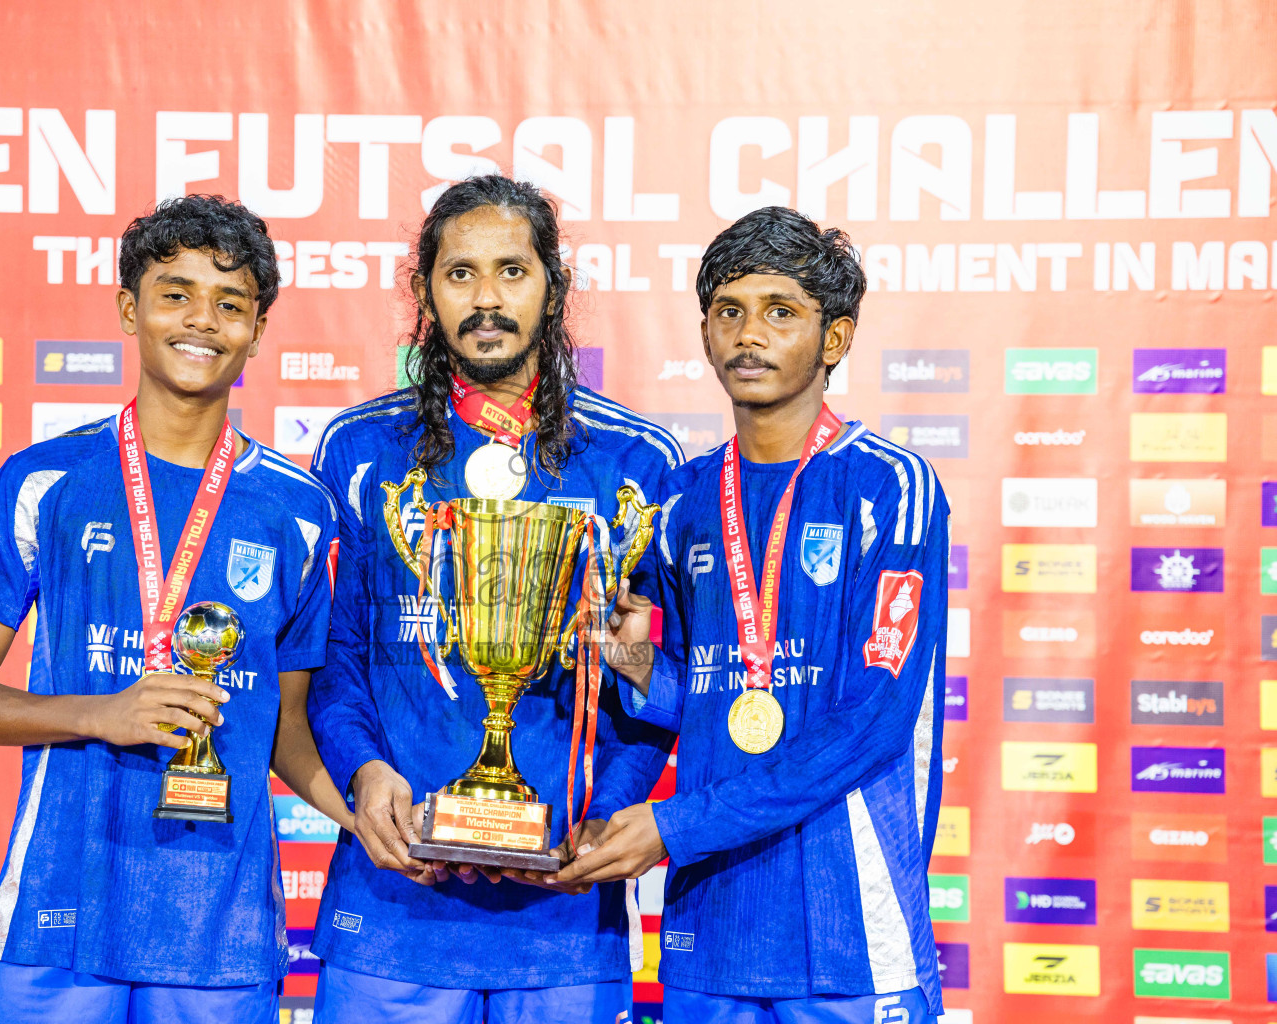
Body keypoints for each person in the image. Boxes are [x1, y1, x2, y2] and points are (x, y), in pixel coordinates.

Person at [0, 195, 350, 1024]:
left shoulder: (297, 509)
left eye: (231, 304)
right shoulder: (45, 479)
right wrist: (105, 713)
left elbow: (289, 730)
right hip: (58, 916)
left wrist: (377, 822)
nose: (203, 321)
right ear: (130, 309)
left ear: (257, 329)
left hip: (218, 936)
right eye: (175, 294)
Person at [556, 207, 949, 1024]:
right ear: (703, 332)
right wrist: (631, 663)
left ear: (834, 339)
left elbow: (870, 721)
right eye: (728, 311)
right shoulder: (683, 504)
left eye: (781, 311)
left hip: (848, 932)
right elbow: (698, 703)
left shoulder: (889, 487)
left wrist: (673, 825)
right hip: (710, 930)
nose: (749, 334)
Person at [305, 174, 682, 1023]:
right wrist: (366, 777)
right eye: (460, 273)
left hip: (565, 920)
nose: (486, 299)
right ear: (425, 293)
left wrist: (604, 812)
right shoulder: (358, 449)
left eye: (511, 271)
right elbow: (337, 664)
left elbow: (653, 684)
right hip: (391, 913)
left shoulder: (636, 462)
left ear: (554, 289)